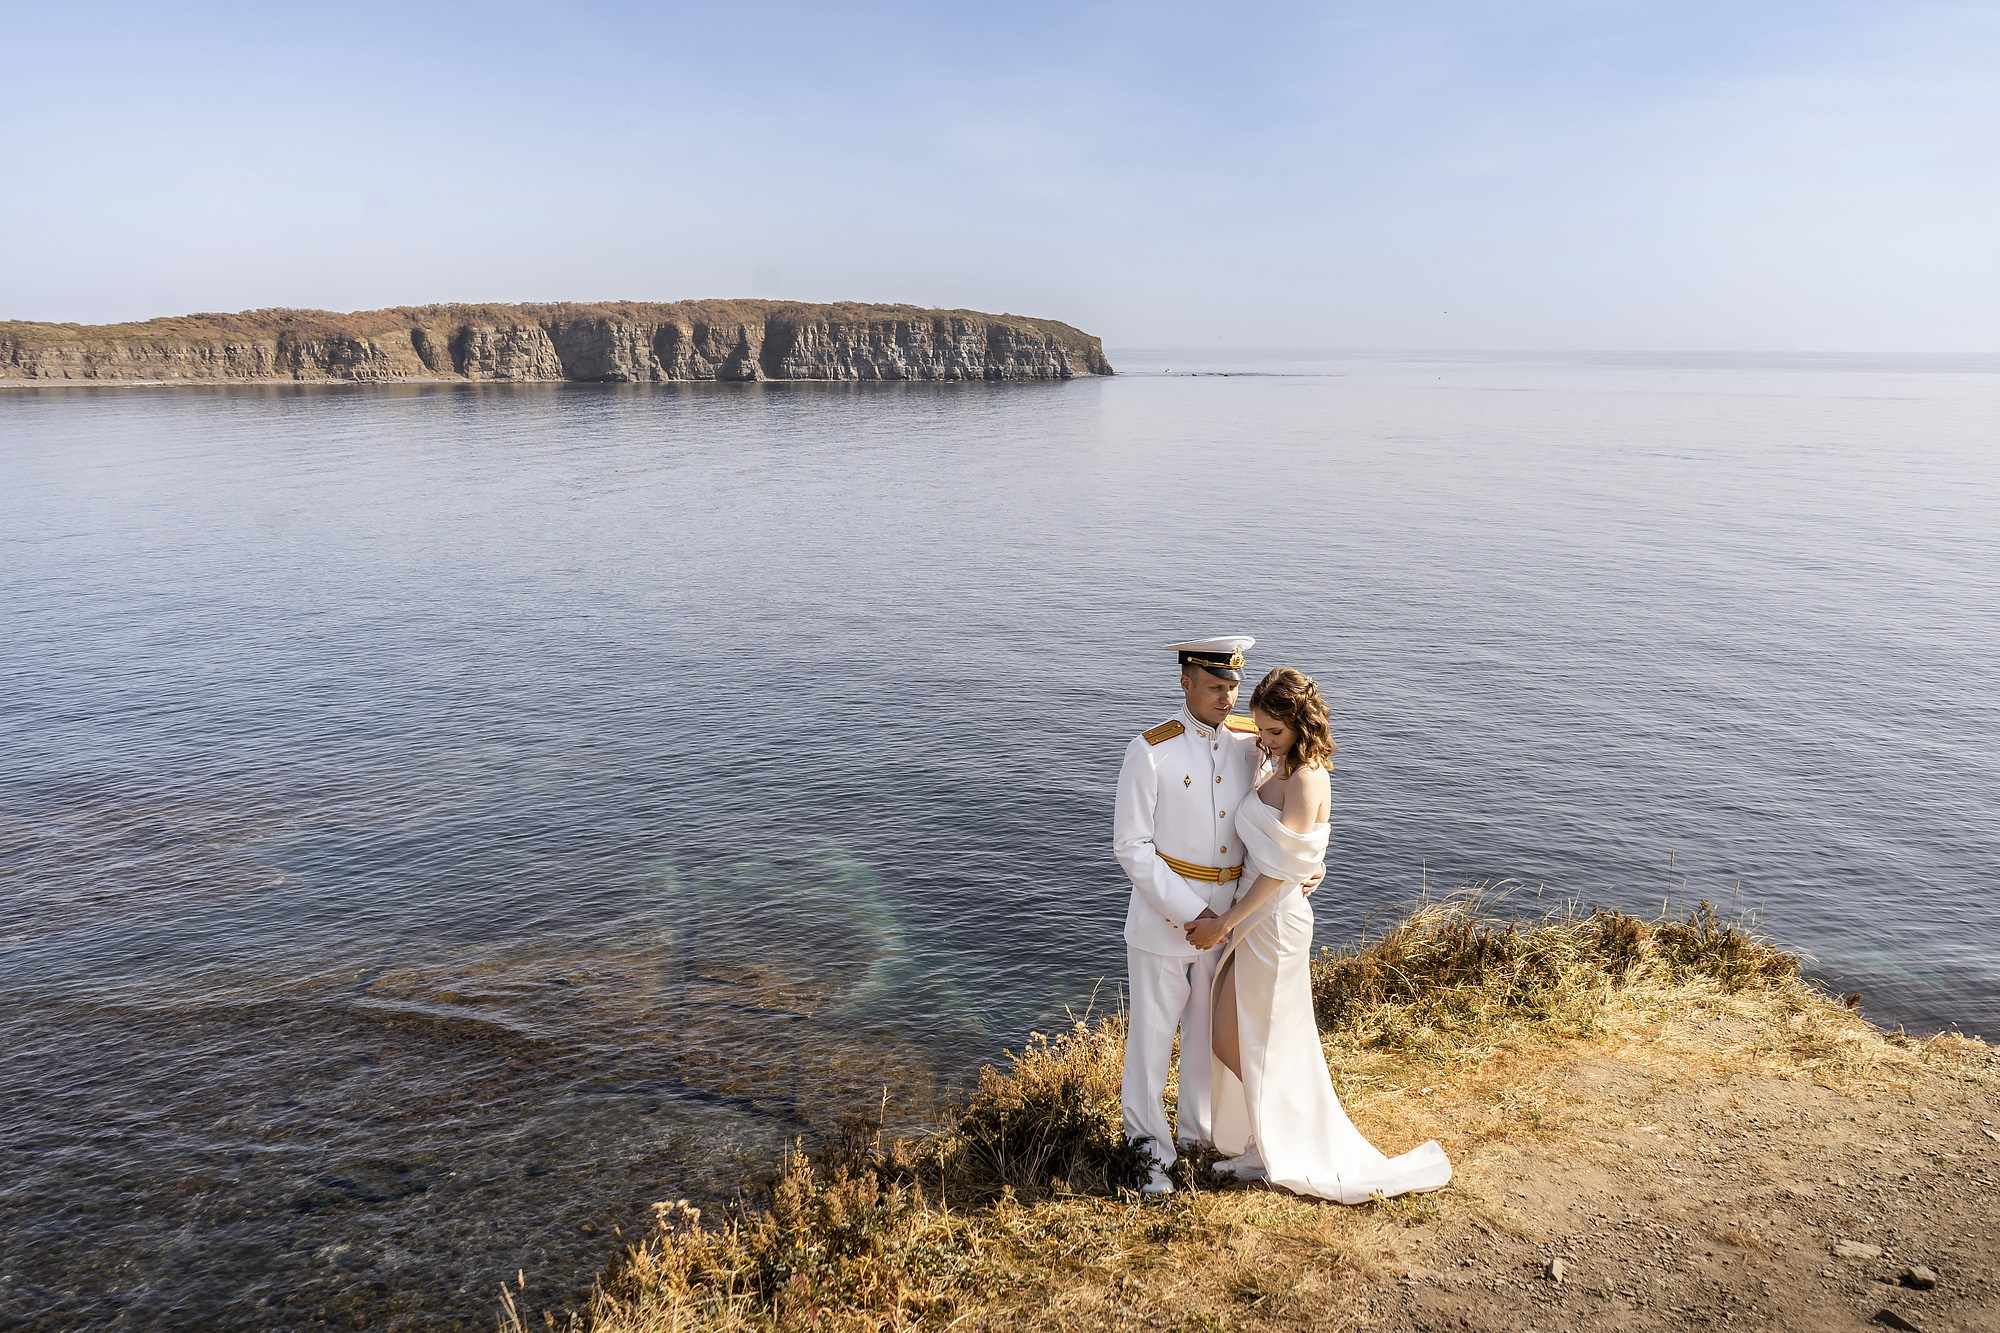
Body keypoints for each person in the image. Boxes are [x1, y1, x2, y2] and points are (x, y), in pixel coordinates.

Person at [1186, 666, 1452, 1203]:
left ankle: (1279, 1143)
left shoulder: (1307, 778)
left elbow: (1285, 869)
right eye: (1259, 728)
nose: (1263, 738)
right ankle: (1273, 1133)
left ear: (1301, 726)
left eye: (1273, 731)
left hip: (1274, 922)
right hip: (1253, 915)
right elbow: (1291, 851)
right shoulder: (1273, 760)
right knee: (1229, 1033)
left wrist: (1224, 923)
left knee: (1262, 1038)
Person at [1112, 636, 1322, 1195]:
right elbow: (1131, 846)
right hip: (1167, 921)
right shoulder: (1151, 750)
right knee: (1153, 1038)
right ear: (1185, 683)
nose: (1226, 699)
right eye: (1214, 687)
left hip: (1232, 921)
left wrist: (1306, 864)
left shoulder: (1251, 745)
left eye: (1232, 687)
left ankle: (1196, 1138)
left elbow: (1285, 812)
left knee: (1207, 1035)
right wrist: (1191, 910)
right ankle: (1148, 1152)